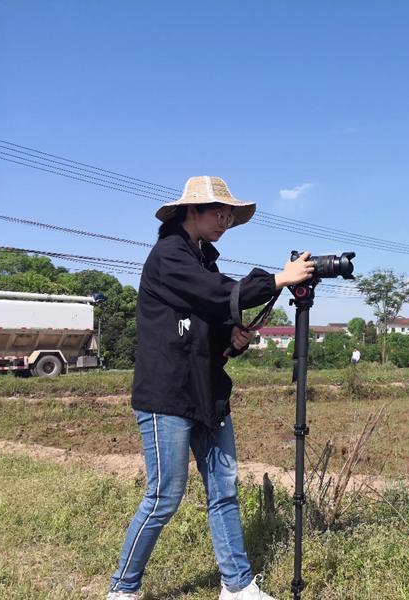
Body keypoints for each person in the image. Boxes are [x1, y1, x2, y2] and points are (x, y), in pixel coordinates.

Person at [107, 176, 314, 600]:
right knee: (164, 496)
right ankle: (122, 589)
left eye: (229, 216)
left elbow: (213, 321)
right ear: (192, 211)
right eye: (218, 213)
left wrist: (232, 339)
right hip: (168, 395)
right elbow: (219, 294)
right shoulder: (169, 256)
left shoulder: (204, 261)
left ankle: (237, 587)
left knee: (224, 490)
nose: (225, 221)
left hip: (207, 392)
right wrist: (279, 278)